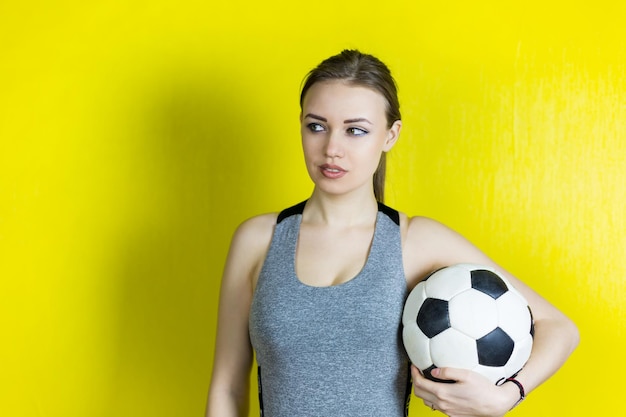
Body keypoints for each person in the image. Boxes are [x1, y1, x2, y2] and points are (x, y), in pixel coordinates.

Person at [206, 49, 579, 417]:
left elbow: (559, 328)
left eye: (356, 130)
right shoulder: (258, 240)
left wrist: (505, 396)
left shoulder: (415, 242)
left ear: (390, 135)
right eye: (316, 126)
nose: (332, 148)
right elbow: (227, 386)